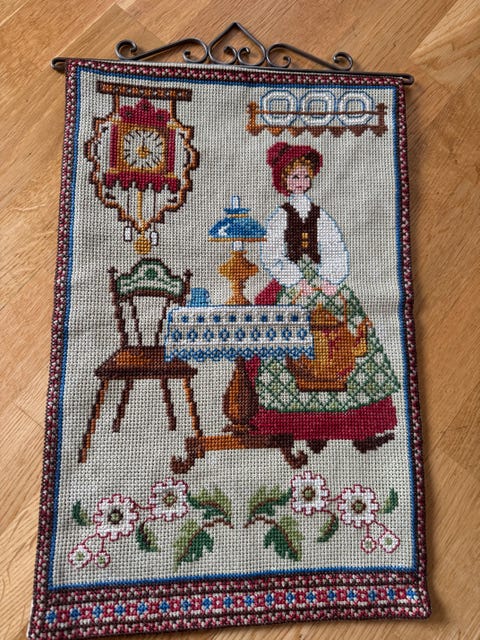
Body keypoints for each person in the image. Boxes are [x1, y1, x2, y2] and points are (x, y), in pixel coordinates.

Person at [248, 142, 399, 453]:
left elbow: (334, 249)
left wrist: (330, 279)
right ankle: (294, 428)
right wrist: (296, 280)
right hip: (293, 284)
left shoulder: (320, 215)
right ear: (284, 180)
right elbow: (272, 255)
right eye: (295, 177)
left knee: (351, 334)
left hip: (323, 283)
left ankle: (360, 427)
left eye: (305, 176)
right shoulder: (280, 217)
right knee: (284, 342)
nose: (301, 182)